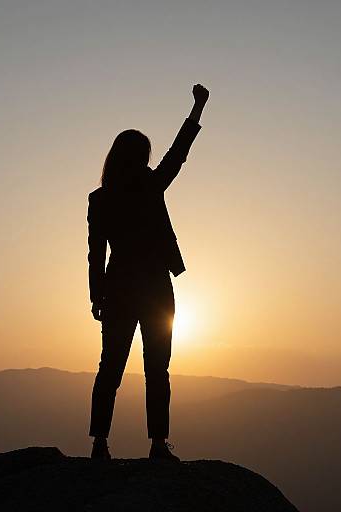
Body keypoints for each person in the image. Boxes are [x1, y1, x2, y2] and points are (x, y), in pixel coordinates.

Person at [87, 84, 209, 461]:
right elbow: (179, 155)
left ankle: (100, 444)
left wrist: (97, 296)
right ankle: (157, 443)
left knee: (111, 367)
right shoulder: (152, 187)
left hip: (120, 288)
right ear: (139, 159)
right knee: (157, 368)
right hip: (156, 287)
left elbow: (95, 254)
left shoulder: (101, 199)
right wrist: (197, 109)